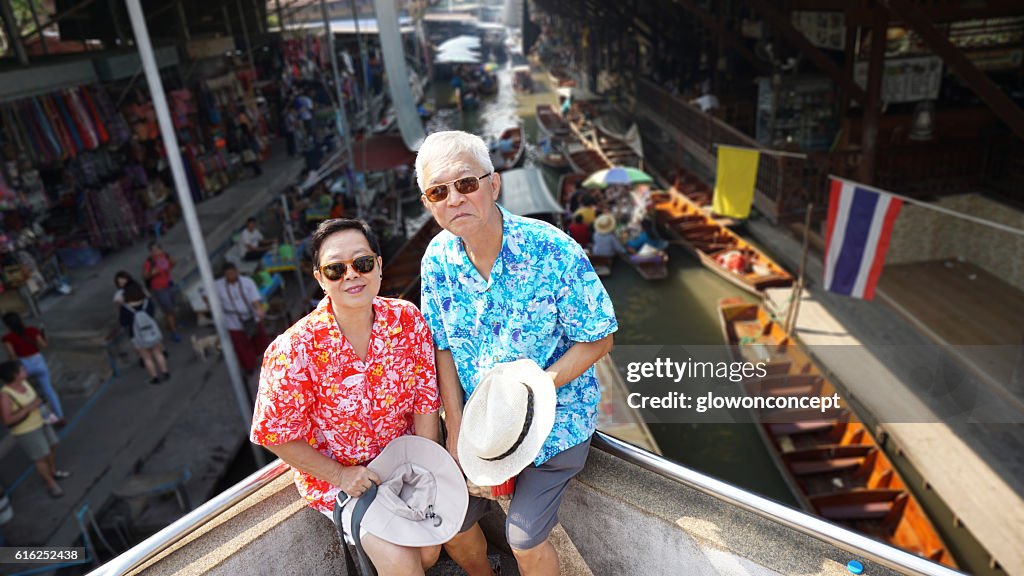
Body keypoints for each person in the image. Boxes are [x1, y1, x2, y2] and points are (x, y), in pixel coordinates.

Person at [417, 131, 617, 576]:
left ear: (494, 184)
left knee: (524, 537)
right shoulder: (436, 260)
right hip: (481, 426)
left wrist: (537, 389)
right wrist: (454, 429)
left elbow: (600, 337)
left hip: (556, 415)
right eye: (438, 192)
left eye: (467, 184)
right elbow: (443, 348)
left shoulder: (553, 249)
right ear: (429, 203)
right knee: (450, 518)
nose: (455, 199)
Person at [250, 218, 445, 575]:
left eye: (363, 263)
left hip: (404, 467)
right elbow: (274, 434)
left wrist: (424, 466)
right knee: (403, 562)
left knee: (430, 550)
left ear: (379, 266)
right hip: (345, 482)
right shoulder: (294, 349)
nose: (351, 275)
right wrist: (341, 476)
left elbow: (425, 404)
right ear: (320, 279)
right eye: (336, 269)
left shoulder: (407, 320)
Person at [0, 361, 70, 498]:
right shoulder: (5, 396)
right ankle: (50, 483)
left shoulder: (25, 383)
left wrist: (51, 415)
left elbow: (37, 401)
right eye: (22, 369)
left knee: (53, 444)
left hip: (41, 421)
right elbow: (7, 420)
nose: (25, 370)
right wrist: (28, 408)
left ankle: (53, 471)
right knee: (40, 456)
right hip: (27, 430)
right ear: (14, 375)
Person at [2, 312, 62, 426]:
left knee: (30, 394)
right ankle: (60, 416)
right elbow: (44, 345)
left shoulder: (7, 338)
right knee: (49, 390)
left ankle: (45, 418)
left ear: (7, 325)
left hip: (23, 365)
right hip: (38, 360)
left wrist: (17, 367)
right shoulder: (32, 330)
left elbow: (12, 355)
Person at [214, 262, 269, 375]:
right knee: (242, 346)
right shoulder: (217, 286)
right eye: (228, 274)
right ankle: (249, 366)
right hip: (233, 321)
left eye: (232, 273)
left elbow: (255, 299)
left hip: (251, 316)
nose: (231, 276)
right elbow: (207, 296)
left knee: (260, 341)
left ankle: (267, 362)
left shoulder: (247, 282)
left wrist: (259, 309)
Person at [120, 283, 171, 384]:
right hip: (152, 333)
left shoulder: (125, 308)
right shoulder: (147, 303)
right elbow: (152, 314)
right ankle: (165, 372)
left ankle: (154, 378)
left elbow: (123, 322)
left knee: (147, 358)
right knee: (158, 353)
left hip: (137, 337)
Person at [142, 243, 181, 342]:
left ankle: (171, 325)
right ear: (150, 252)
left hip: (169, 285)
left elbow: (173, 262)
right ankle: (174, 331)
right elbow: (145, 276)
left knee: (172, 308)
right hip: (159, 289)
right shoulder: (149, 262)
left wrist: (168, 268)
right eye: (153, 251)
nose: (156, 253)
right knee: (169, 311)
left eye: (157, 250)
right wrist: (152, 273)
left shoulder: (165, 256)